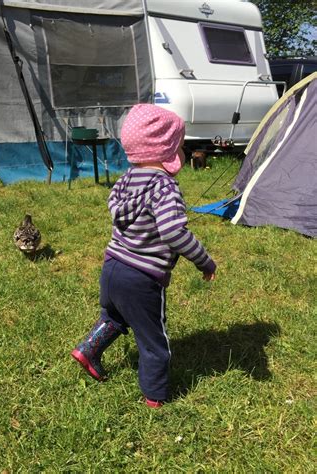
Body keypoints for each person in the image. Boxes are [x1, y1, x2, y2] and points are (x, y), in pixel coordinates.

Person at [71, 104, 217, 408]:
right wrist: (204, 260)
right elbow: (175, 233)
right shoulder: (165, 187)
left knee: (113, 316)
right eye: (179, 143)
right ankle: (155, 397)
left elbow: (115, 209)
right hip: (142, 278)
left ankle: (89, 349)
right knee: (154, 341)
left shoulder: (125, 181)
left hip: (111, 267)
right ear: (168, 150)